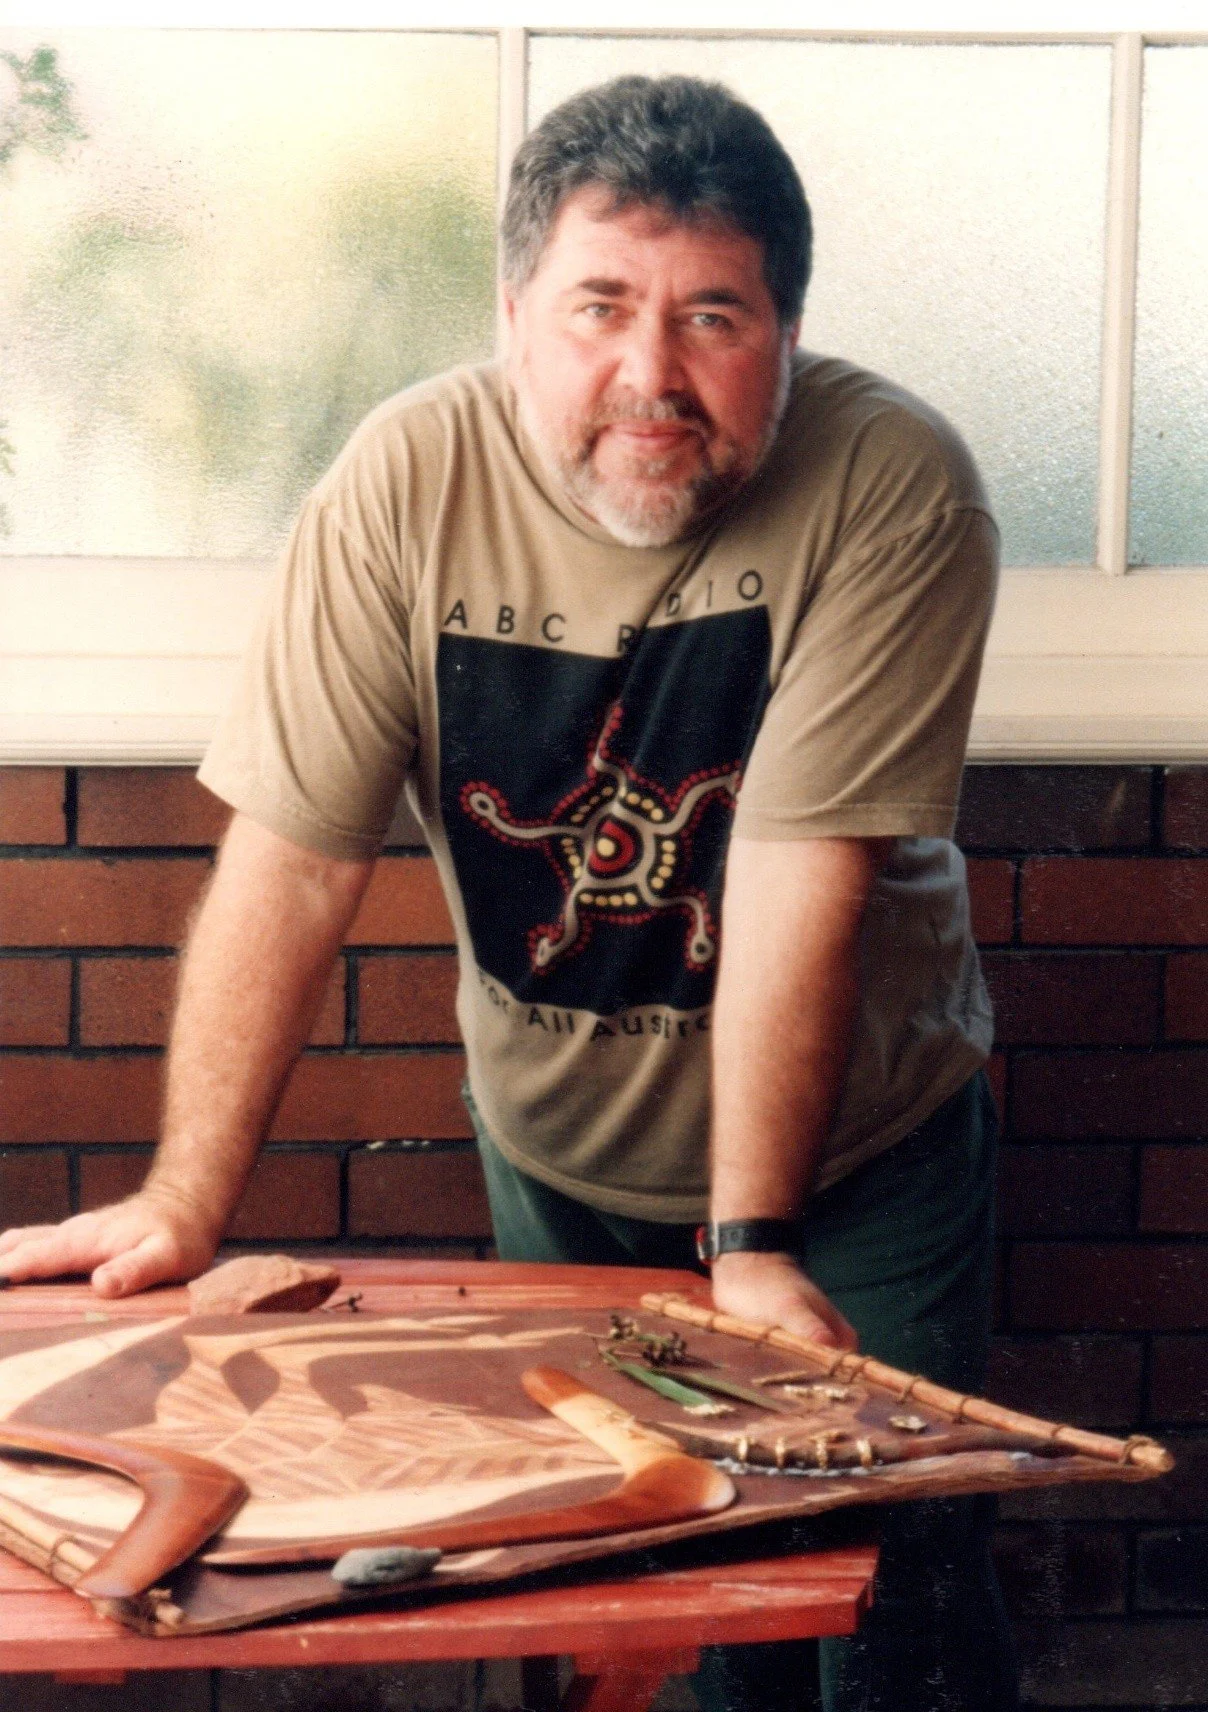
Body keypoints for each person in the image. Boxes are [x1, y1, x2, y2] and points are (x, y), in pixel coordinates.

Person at [0, 75, 1016, 1711]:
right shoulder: (401, 479)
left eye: (713, 318)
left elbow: (796, 868)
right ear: (516, 315)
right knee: (647, 1598)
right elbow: (295, 858)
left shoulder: (895, 479)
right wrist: (185, 1202)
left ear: (788, 329)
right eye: (601, 306)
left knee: (888, 1603)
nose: (651, 375)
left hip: (858, 1163)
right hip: (556, 1155)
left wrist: (748, 1242)